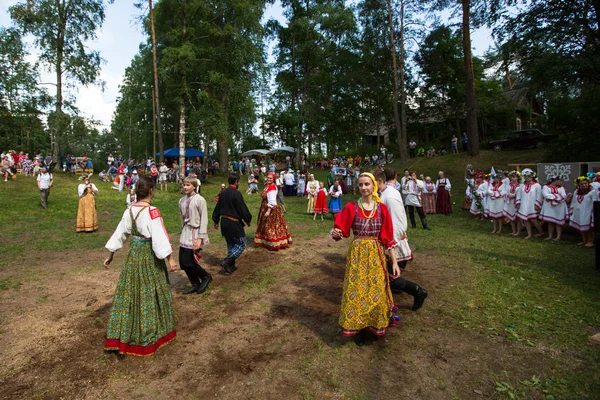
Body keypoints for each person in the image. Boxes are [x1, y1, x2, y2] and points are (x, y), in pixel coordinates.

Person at [103, 176, 177, 356]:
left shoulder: (128, 211)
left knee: (131, 290)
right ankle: (149, 333)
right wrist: (170, 259)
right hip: (149, 255)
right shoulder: (152, 212)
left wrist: (110, 255)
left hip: (134, 254)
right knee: (150, 290)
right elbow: (159, 238)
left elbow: (119, 234)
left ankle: (125, 332)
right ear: (152, 191)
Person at [331, 172, 401, 346]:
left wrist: (394, 262)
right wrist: (335, 233)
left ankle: (375, 325)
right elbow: (341, 232)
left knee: (376, 291)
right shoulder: (351, 207)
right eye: (361, 184)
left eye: (367, 184)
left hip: (376, 254)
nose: (364, 188)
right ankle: (358, 328)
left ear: (373, 186)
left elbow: (387, 238)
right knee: (357, 292)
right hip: (357, 256)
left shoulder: (382, 208)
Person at [375, 169, 428, 311]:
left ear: (379, 181)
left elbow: (397, 223)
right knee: (386, 276)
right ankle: (397, 288)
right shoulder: (384, 194)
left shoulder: (390, 197)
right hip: (388, 241)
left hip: (393, 243)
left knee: (390, 276)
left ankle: (418, 291)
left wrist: (390, 245)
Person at [212, 174, 253, 275]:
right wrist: (248, 219)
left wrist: (216, 220)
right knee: (241, 244)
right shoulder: (236, 193)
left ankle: (230, 266)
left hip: (224, 222)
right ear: (236, 182)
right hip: (233, 223)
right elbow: (242, 208)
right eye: (238, 182)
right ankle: (227, 261)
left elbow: (217, 207)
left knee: (231, 243)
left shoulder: (223, 193)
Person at [178, 176, 212, 294]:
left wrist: (200, 238)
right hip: (185, 233)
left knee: (189, 261)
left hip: (195, 233)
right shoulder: (181, 201)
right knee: (183, 262)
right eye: (184, 184)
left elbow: (204, 219)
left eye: (188, 185)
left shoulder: (200, 200)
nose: (185, 187)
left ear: (194, 186)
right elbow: (182, 218)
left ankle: (206, 276)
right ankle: (195, 283)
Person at [254, 173, 292, 250]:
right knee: (266, 225)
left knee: (270, 225)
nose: (269, 179)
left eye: (270, 178)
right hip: (265, 206)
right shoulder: (267, 186)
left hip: (271, 208)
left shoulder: (272, 187)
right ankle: (266, 241)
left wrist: (268, 210)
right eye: (268, 178)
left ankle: (273, 243)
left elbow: (272, 200)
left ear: (274, 179)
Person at [515, 168, 545, 239]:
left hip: (532, 205)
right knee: (526, 219)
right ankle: (529, 234)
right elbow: (519, 195)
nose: (527, 178)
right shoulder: (522, 186)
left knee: (533, 219)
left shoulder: (537, 185)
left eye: (529, 176)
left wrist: (537, 204)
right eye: (526, 176)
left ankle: (541, 232)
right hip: (524, 204)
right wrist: (518, 203)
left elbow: (539, 196)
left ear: (532, 177)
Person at [569, 176, 598, 247]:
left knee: (588, 228)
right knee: (581, 226)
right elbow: (573, 201)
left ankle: (590, 241)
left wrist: (594, 212)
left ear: (588, 184)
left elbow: (595, 202)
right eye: (582, 184)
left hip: (587, 212)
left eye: (585, 183)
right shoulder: (576, 191)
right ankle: (584, 240)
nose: (584, 185)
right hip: (578, 211)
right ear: (578, 185)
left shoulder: (592, 192)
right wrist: (572, 209)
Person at [540, 176, 569, 242]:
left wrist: (554, 198)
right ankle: (550, 235)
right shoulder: (546, 187)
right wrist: (558, 196)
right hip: (550, 206)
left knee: (558, 222)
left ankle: (558, 236)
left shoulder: (561, 188)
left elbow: (564, 196)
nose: (560, 182)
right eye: (559, 180)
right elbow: (546, 195)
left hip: (560, 206)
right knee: (551, 222)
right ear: (554, 180)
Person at [502, 171, 522, 236]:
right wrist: (508, 195)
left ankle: (518, 231)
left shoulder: (520, 186)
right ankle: (513, 231)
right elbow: (504, 192)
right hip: (510, 202)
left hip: (517, 203)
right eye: (511, 177)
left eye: (514, 177)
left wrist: (515, 195)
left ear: (517, 178)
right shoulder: (508, 185)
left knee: (518, 218)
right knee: (511, 217)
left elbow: (521, 194)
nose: (512, 178)